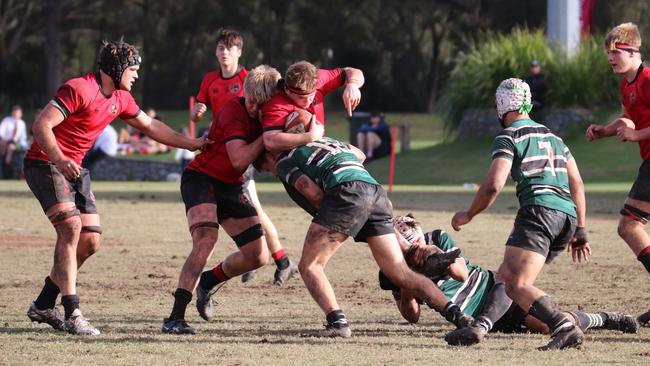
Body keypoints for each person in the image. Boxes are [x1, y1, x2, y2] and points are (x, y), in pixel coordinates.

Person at [23, 39, 209, 336]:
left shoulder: (121, 98)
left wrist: (192, 144)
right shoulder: (78, 88)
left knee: (90, 242)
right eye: (133, 69)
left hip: (75, 167)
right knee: (71, 228)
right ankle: (73, 313)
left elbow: (151, 127)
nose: (136, 75)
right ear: (116, 68)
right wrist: (59, 160)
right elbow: (41, 125)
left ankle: (44, 304)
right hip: (45, 162)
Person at [255, 137, 474, 338]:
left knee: (310, 266)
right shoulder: (323, 140)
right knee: (401, 272)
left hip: (346, 193)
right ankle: (457, 315)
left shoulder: (283, 160)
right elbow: (359, 154)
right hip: (375, 191)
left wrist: (334, 218)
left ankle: (337, 323)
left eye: (266, 168)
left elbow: (313, 194)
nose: (272, 173)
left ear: (270, 153)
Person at [451, 78, 591, 350]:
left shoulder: (510, 136)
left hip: (539, 211)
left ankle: (564, 327)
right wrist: (581, 229)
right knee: (507, 277)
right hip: (566, 216)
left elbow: (493, 184)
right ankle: (481, 328)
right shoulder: (554, 137)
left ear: (503, 105)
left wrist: (468, 214)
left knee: (517, 283)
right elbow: (577, 182)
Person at [379, 215, 638, 344]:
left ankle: (604, 318)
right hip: (475, 314)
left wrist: (435, 255)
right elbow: (411, 316)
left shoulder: (438, 238)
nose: (414, 254)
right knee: (544, 328)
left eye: (415, 247)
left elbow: (461, 273)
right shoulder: (395, 265)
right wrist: (406, 282)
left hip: (494, 291)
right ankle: (601, 318)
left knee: (544, 324)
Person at [163, 65, 283, 335]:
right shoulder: (233, 111)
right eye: (249, 99)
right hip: (202, 178)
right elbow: (240, 159)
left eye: (258, 103)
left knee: (258, 256)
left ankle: (208, 281)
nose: (252, 106)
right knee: (206, 240)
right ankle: (174, 318)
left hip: (231, 184)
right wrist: (267, 138)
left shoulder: (274, 114)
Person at [191, 29, 297, 285]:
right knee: (251, 209)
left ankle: (276, 260)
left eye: (230, 48)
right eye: (220, 47)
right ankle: (266, 258)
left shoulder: (250, 78)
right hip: (221, 149)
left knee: (252, 208)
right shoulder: (209, 80)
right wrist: (197, 112)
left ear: (239, 52)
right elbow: (197, 117)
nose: (224, 52)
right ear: (215, 52)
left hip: (243, 151)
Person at [585, 22, 650, 326]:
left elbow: (637, 129)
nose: (610, 57)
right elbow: (629, 117)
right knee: (629, 225)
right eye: (608, 52)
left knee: (629, 225)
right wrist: (605, 131)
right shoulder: (627, 84)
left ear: (633, 51)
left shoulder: (648, 78)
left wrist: (638, 137)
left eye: (615, 52)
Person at [261, 60, 363, 153]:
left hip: (321, 145)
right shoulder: (276, 103)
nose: (308, 102)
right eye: (302, 98)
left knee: (359, 154)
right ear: (287, 90)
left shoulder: (319, 79)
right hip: (292, 154)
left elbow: (354, 72)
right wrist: (310, 136)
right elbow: (270, 141)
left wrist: (352, 84)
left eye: (312, 96)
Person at [0, 105, 28, 178]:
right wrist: (5, 141)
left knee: (14, 147)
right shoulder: (7, 120)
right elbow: (1, 133)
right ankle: (7, 164)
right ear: (12, 113)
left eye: (18, 113)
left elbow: (23, 139)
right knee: (8, 146)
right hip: (6, 141)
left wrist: (18, 145)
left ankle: (16, 169)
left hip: (16, 143)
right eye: (15, 113)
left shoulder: (22, 123)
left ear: (21, 114)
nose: (16, 115)